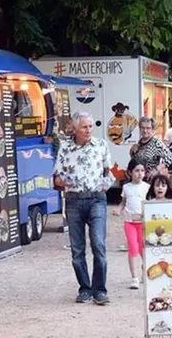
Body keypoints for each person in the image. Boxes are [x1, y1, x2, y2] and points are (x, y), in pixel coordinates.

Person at [54, 111, 114, 305]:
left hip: (96, 198)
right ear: (75, 128)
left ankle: (100, 289)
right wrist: (63, 181)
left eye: (90, 126)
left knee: (98, 243)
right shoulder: (65, 148)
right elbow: (56, 177)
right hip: (73, 200)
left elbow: (109, 171)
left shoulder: (101, 145)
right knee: (77, 248)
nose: (88, 130)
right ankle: (85, 288)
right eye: (84, 127)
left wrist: (107, 183)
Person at [114, 159, 150, 289]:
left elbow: (150, 204)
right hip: (129, 222)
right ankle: (134, 277)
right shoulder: (126, 187)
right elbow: (123, 202)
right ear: (130, 172)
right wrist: (119, 209)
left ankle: (144, 270)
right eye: (137, 171)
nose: (140, 173)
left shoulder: (147, 187)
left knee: (142, 248)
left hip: (143, 223)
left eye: (142, 171)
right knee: (133, 248)